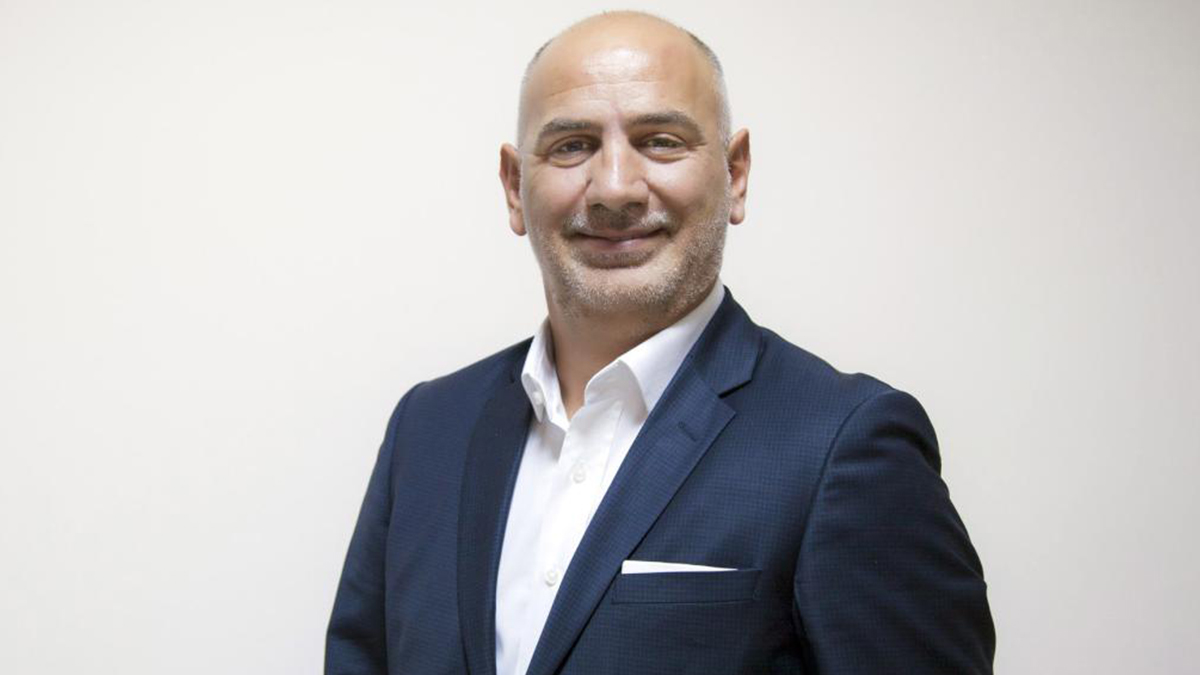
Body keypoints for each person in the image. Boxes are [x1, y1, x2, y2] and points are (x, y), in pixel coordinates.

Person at [326, 11, 994, 675]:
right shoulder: (427, 429)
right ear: (513, 186)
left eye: (662, 141)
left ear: (735, 174)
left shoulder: (843, 445)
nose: (615, 187)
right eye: (572, 146)